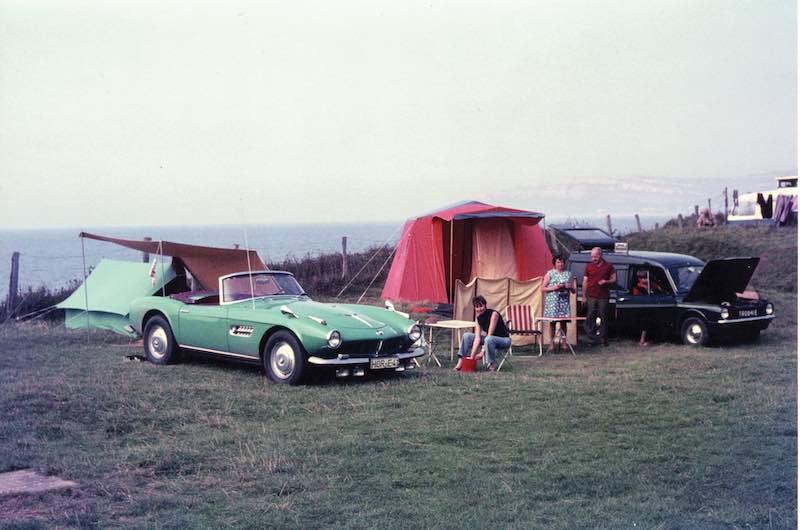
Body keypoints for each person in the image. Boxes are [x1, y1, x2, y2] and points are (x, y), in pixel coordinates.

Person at [454, 295, 511, 372]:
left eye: (481, 306)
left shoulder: (494, 314)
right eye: (477, 307)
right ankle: (461, 362)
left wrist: (482, 353)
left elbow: (490, 334)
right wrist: (472, 357)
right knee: (467, 336)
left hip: (504, 340)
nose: (479, 309)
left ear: (485, 305)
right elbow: (477, 338)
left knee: (488, 338)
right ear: (474, 308)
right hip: (489, 340)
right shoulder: (478, 319)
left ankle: (492, 364)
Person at [582, 247, 616, 346]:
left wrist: (606, 281)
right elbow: (585, 281)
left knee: (603, 317)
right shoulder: (588, 266)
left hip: (603, 296)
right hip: (591, 295)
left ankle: (603, 339)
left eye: (595, 256)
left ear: (600, 255)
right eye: (592, 256)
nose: (593, 258)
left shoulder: (609, 266)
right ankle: (591, 340)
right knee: (590, 316)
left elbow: (614, 279)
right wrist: (584, 296)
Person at [542, 255, 574, 352]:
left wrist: (570, 287)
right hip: (553, 302)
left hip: (564, 301)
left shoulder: (568, 274)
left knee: (563, 322)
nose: (560, 264)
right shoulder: (550, 273)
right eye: (558, 262)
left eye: (562, 262)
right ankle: (551, 343)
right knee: (553, 323)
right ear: (555, 263)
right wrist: (554, 288)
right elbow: (542, 288)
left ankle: (564, 343)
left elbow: (573, 291)